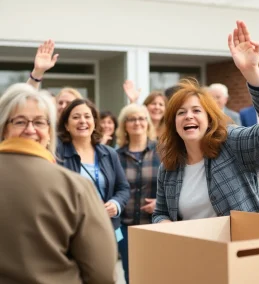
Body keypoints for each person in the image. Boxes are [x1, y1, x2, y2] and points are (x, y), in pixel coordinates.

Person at [152, 20, 259, 224]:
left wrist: (252, 73)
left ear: (209, 118)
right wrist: (164, 223)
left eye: (196, 110)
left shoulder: (232, 144)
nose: (188, 116)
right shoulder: (169, 167)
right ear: (174, 123)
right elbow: (160, 212)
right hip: (193, 253)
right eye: (181, 113)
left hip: (239, 251)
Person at [0, 84, 117, 283]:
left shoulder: (81, 180)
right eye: (20, 122)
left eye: (39, 122)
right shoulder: (75, 187)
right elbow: (102, 273)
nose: (30, 129)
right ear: (4, 128)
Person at [56, 98, 130, 243]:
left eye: (87, 116)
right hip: (73, 231)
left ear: (95, 122)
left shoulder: (109, 153)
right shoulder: (57, 154)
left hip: (107, 228)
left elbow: (123, 188)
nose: (82, 121)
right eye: (76, 117)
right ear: (66, 125)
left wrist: (116, 204)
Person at [116, 103, 160, 284]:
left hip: (156, 225)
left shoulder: (162, 151)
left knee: (157, 273)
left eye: (142, 118)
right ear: (124, 125)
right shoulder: (114, 156)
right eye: (132, 119)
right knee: (131, 274)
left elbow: (175, 185)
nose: (137, 123)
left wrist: (160, 203)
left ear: (148, 123)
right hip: (124, 228)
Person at [26, 39, 83, 117]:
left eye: (68, 103)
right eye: (60, 103)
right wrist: (38, 72)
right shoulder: (48, 126)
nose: (63, 106)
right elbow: (26, 99)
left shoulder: (83, 127)